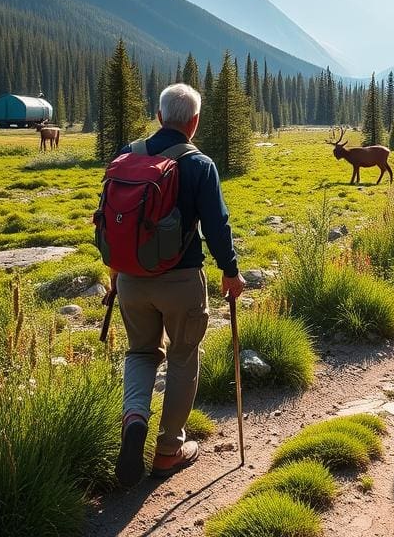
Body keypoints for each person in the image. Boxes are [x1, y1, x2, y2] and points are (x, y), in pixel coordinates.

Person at [110, 83, 245, 486]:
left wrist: (115, 268)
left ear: (158, 116)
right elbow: (217, 226)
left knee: (140, 353)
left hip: (130, 279)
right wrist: (230, 271)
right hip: (181, 281)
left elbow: (112, 219)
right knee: (184, 356)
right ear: (195, 122)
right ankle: (168, 450)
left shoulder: (126, 155)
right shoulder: (199, 164)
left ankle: (135, 417)